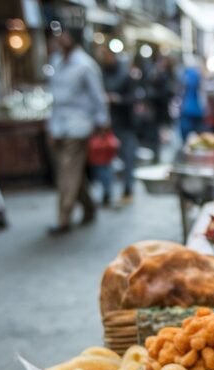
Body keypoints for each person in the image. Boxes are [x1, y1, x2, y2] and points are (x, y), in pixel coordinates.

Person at [46, 26, 109, 234]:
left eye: (64, 35)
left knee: (67, 170)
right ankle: (89, 207)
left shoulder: (85, 65)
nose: (60, 39)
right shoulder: (56, 62)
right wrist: (51, 127)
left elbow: (97, 97)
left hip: (79, 125)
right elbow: (55, 100)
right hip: (60, 126)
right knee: (72, 171)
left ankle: (63, 217)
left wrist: (102, 122)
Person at [100, 47, 137, 205]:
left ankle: (128, 188)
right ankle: (107, 191)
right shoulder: (101, 74)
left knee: (127, 157)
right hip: (107, 125)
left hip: (125, 123)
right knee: (104, 158)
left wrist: (117, 99)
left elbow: (133, 98)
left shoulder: (125, 75)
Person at [179, 60, 205, 141]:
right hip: (196, 110)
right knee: (199, 137)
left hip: (187, 109)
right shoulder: (197, 75)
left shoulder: (186, 75)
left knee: (186, 138)